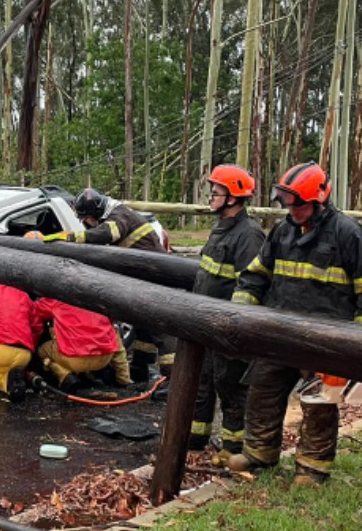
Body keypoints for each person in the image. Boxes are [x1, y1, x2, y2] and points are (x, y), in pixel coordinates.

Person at [227, 161, 362, 485]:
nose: (292, 210)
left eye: (298, 204)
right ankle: (259, 452)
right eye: (288, 204)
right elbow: (256, 275)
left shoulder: (348, 233)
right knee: (263, 389)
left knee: (319, 403)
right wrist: (241, 314)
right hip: (280, 331)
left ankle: (313, 467)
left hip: (327, 338)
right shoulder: (282, 231)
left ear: (319, 199)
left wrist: (360, 345)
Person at [185, 165, 266, 463]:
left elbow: (251, 285)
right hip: (207, 323)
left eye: (216, 192)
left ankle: (233, 448)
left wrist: (235, 328)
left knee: (229, 385)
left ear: (233, 197)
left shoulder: (249, 235)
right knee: (203, 381)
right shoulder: (221, 229)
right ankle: (195, 439)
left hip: (229, 329)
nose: (211, 197)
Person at [65, 187, 169, 382]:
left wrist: (73, 237)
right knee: (143, 329)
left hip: (156, 278)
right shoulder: (113, 214)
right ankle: (140, 371)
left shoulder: (118, 215)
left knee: (160, 329)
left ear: (95, 212)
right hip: (144, 278)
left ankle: (172, 380)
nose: (85, 222)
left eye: (86, 218)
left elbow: (109, 233)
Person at [33, 297, 133, 390]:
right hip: (103, 359)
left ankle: (64, 375)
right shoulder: (100, 298)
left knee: (42, 351)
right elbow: (116, 341)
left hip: (73, 359)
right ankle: (123, 378)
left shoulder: (59, 297)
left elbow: (35, 310)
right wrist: (123, 380)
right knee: (112, 334)